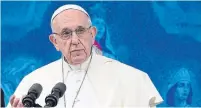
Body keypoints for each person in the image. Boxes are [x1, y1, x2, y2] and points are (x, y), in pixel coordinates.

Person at [8, 4, 163, 108]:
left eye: (81, 31)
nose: (75, 41)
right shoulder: (32, 82)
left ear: (92, 34)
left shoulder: (133, 79)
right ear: (55, 41)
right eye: (66, 33)